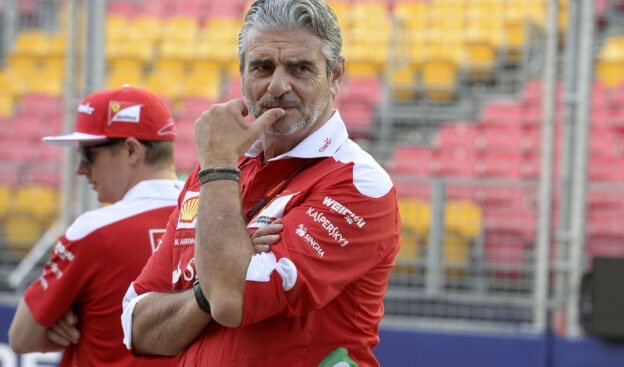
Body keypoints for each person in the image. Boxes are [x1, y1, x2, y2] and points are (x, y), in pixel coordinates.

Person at [121, 0, 400, 365]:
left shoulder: (360, 183)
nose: (279, 86)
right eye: (263, 67)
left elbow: (231, 299)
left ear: (335, 76)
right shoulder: (217, 171)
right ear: (242, 72)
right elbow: (137, 327)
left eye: (301, 69)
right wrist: (219, 278)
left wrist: (218, 274)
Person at [8, 85, 183, 367]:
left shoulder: (95, 230)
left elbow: (22, 338)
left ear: (131, 150)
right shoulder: (218, 215)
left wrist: (65, 321)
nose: (81, 169)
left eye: (89, 154)